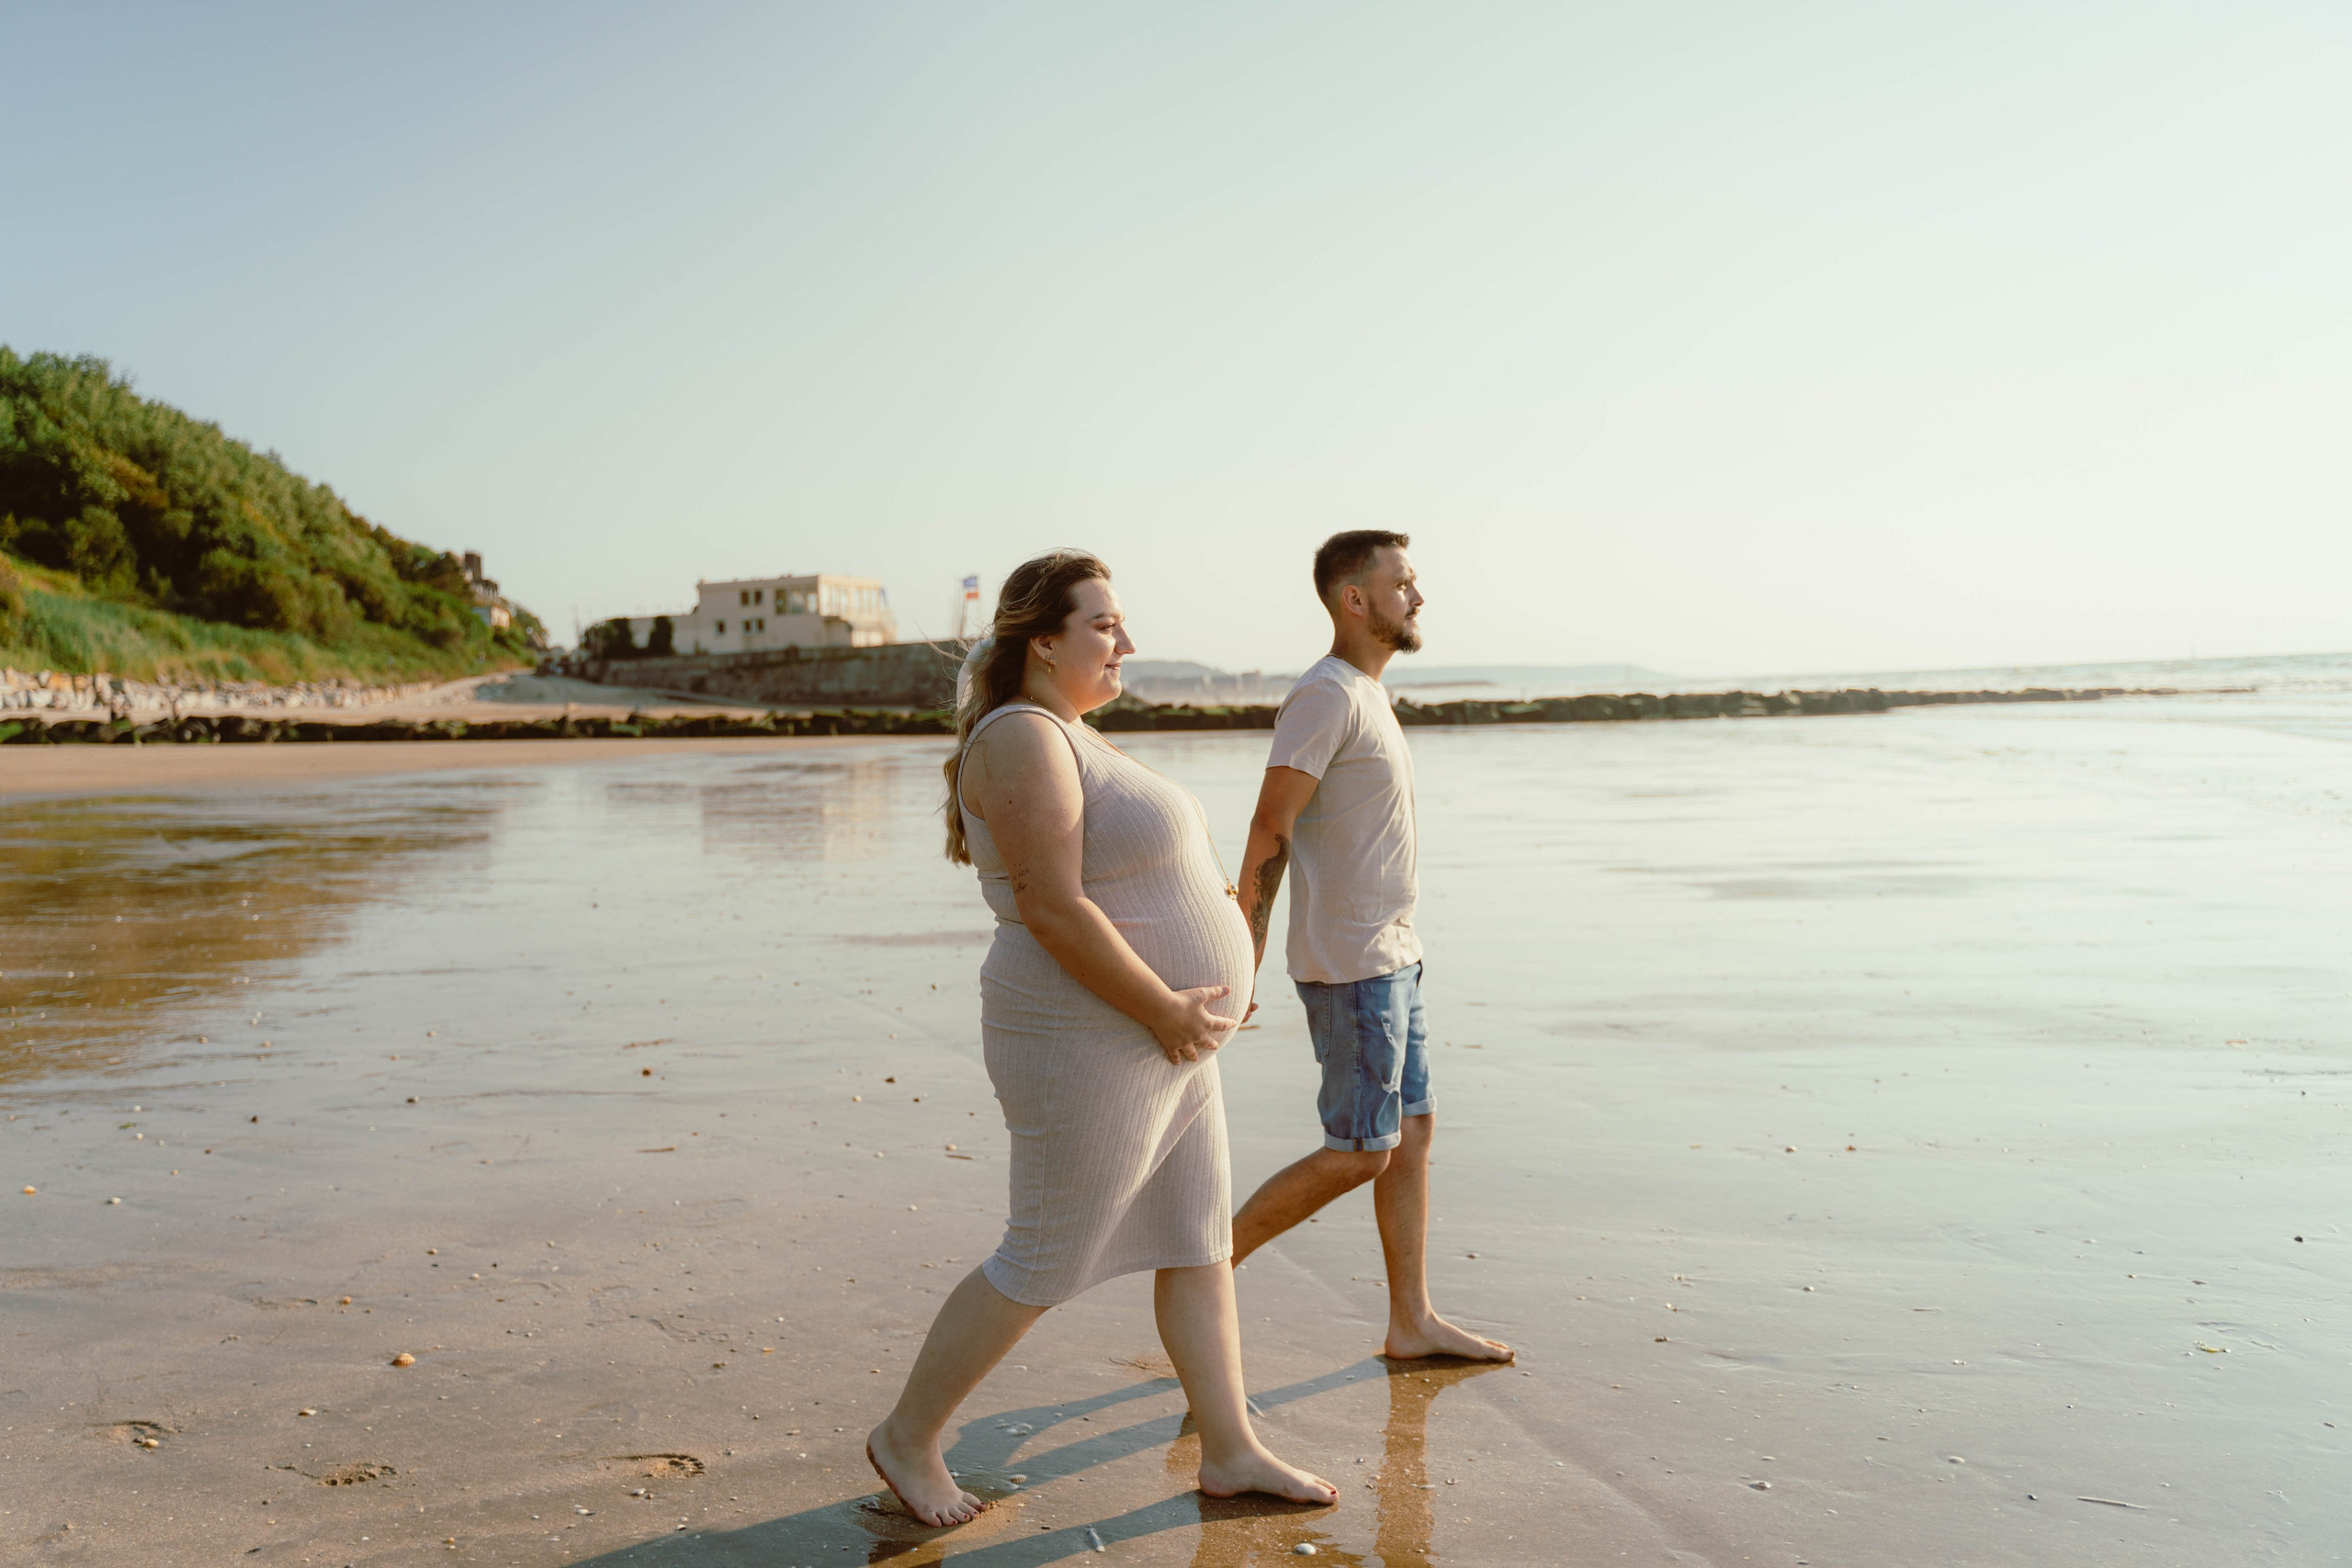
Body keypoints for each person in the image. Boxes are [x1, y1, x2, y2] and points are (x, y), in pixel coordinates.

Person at [865, 549, 1339, 1528]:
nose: (1127, 640)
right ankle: (906, 1437)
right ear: (1043, 640)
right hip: (1088, 1029)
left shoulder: (1076, 735)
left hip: (1162, 1033)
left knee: (1198, 1241)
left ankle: (1231, 1448)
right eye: (1105, 623)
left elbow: (1134, 884)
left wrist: (1212, 976)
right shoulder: (1023, 737)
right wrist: (1166, 1006)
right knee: (1044, 1253)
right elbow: (1051, 908)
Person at [1228, 531, 1512, 1364]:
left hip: (1394, 955)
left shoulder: (1367, 693)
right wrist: (1240, 953)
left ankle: (1411, 1321)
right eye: (1403, 583)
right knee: (1361, 1151)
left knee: (1412, 1134)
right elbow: (1268, 825)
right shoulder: (1326, 696)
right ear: (1355, 599)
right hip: (1352, 965)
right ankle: (1206, 1267)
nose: (1417, 597)